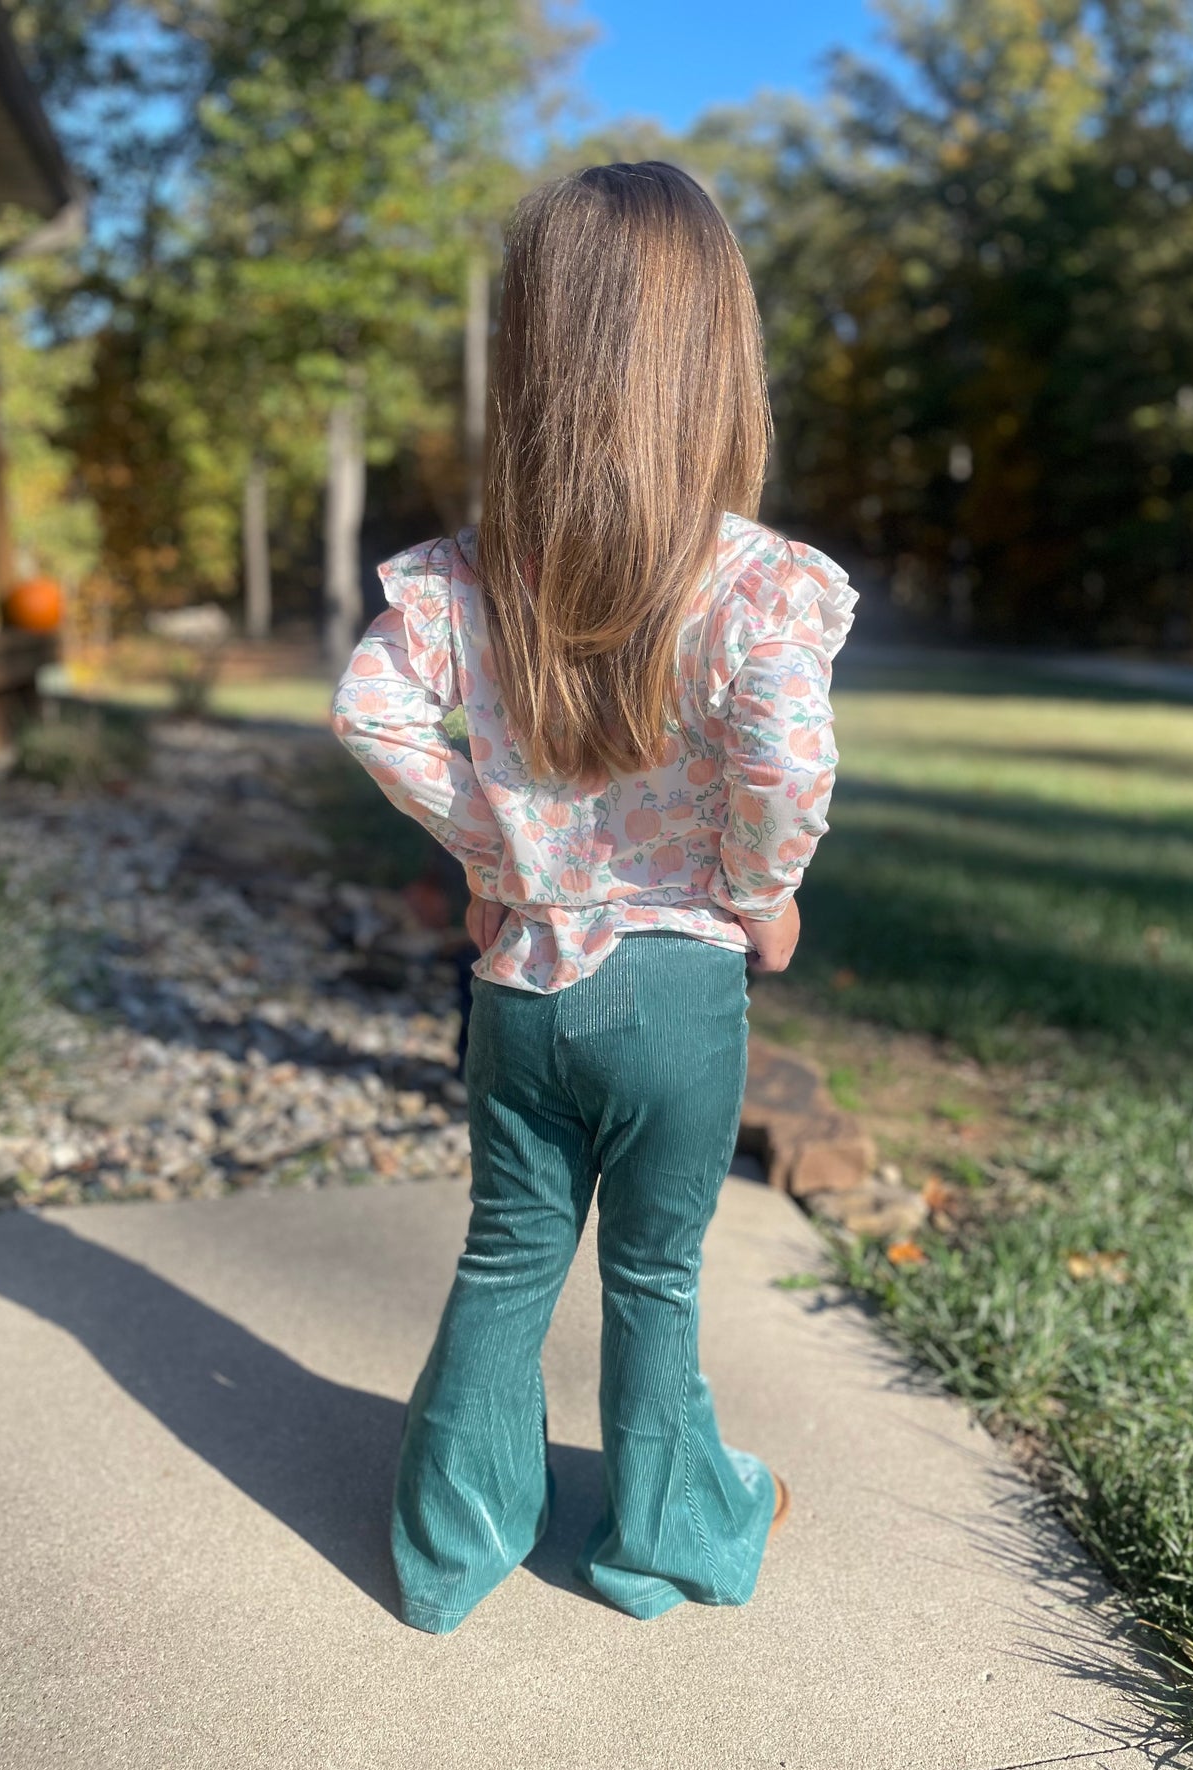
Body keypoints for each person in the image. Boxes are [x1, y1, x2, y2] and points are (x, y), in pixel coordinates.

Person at [331, 160, 856, 1633]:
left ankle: (449, 1549)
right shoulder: (755, 583)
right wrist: (762, 890)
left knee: (504, 1255)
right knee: (653, 1277)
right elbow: (787, 752)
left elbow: (368, 715)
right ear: (717, 360)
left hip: (522, 980)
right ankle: (659, 1540)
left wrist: (497, 858)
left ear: (533, 353)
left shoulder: (466, 577)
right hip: (679, 985)